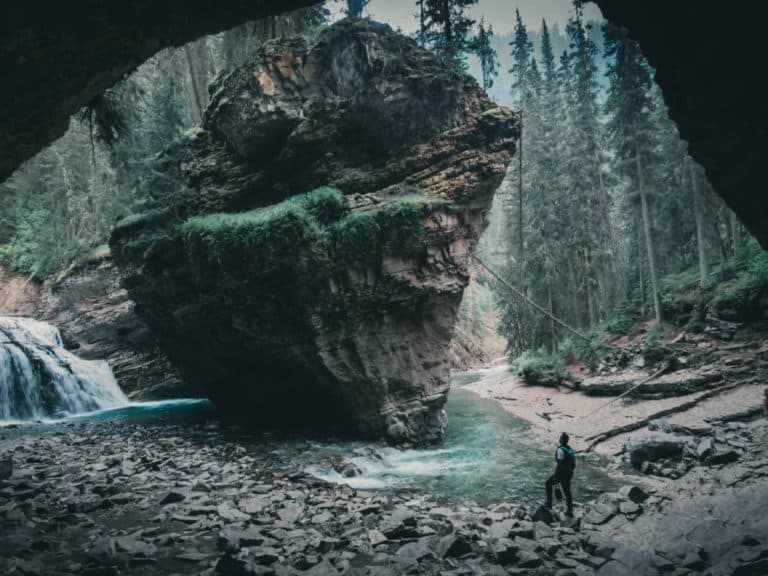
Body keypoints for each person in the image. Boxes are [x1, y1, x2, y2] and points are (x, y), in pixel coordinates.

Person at [540, 432, 576, 517]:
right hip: (569, 473)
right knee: (567, 491)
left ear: (561, 440)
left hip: (562, 473)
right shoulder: (569, 449)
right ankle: (570, 511)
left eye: (560, 437)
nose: (559, 438)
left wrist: (556, 476)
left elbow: (559, 464)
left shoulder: (560, 450)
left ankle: (549, 504)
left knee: (548, 483)